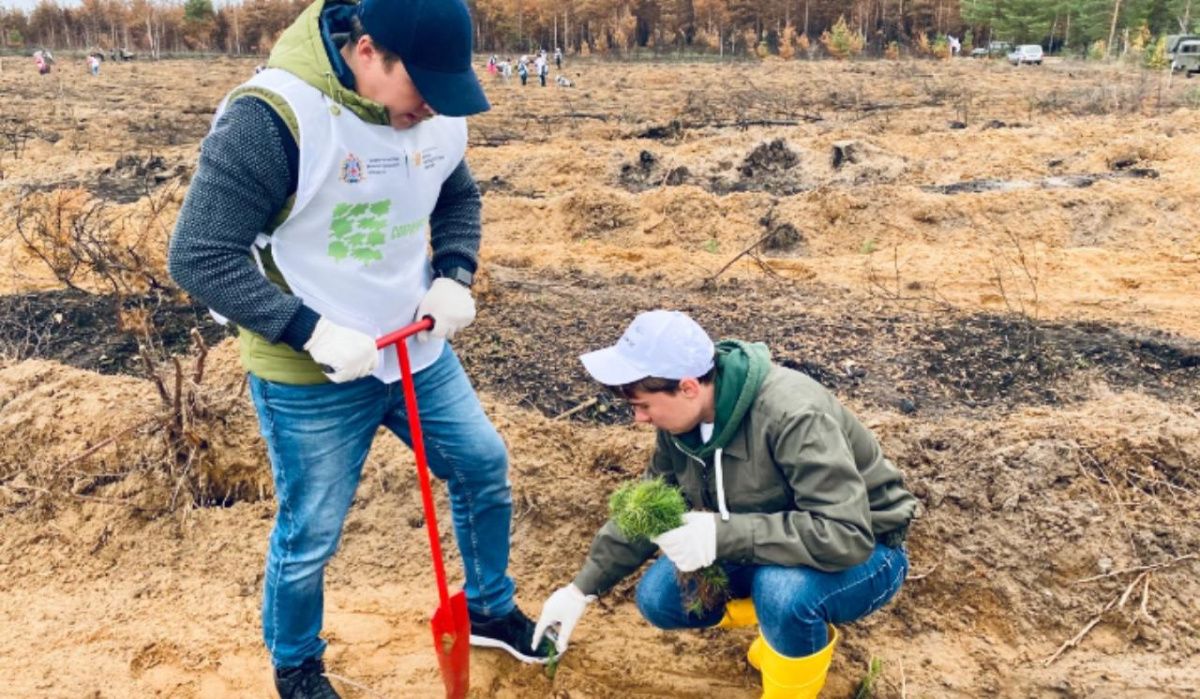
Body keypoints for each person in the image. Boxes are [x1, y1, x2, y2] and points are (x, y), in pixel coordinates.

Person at [167, 0, 555, 697]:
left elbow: (455, 197)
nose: (434, 109)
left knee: (481, 464)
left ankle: (490, 608)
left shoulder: (434, 114)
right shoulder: (274, 118)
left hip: (414, 347)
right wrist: (306, 329)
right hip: (309, 373)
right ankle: (297, 665)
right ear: (369, 51)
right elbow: (198, 253)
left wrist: (453, 274)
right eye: (424, 89)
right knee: (310, 529)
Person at [533, 310, 919, 698]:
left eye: (644, 405)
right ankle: (781, 630)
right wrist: (580, 590)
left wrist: (718, 534)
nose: (638, 418)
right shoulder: (681, 426)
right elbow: (650, 504)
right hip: (772, 539)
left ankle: (789, 658)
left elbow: (844, 534)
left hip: (869, 549)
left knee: (782, 594)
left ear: (687, 387)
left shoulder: (794, 415)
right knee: (662, 598)